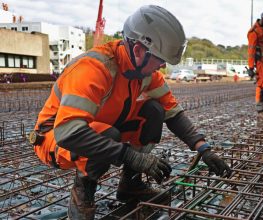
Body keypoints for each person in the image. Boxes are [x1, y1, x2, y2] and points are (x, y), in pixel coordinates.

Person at [30, 5, 231, 219]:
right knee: (106, 134)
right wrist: (131, 157)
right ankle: (83, 194)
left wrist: (203, 149)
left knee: (153, 111)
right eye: (160, 60)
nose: (162, 66)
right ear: (138, 50)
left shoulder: (145, 71)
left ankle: (130, 184)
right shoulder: (93, 69)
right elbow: (68, 132)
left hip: (98, 126)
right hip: (55, 138)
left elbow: (173, 113)